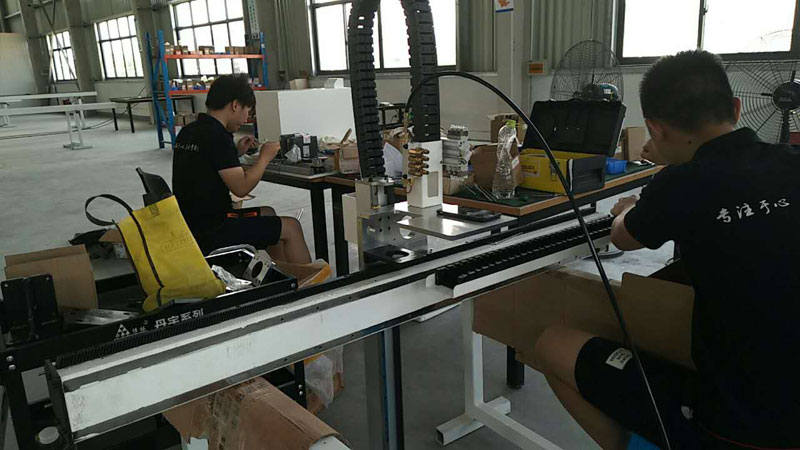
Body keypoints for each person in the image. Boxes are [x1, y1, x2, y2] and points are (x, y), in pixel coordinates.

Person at [533, 50, 800, 449]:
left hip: (740, 429)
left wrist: (631, 206)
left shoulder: (681, 184)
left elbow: (622, 236)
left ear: (655, 130)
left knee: (553, 343)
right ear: (737, 107)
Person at [172, 74, 311, 264]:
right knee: (291, 227)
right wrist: (264, 157)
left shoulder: (190, 131)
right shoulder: (218, 137)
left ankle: (285, 274)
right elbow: (241, 188)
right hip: (214, 229)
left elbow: (206, 165)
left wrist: (235, 153)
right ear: (235, 105)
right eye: (247, 111)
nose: (246, 119)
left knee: (268, 213)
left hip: (192, 222)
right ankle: (308, 280)